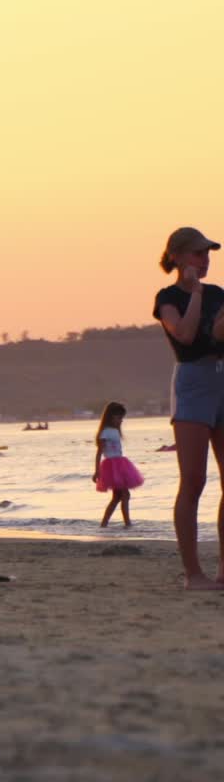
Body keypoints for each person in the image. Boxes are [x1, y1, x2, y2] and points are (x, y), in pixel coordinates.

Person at [154, 226, 224, 589]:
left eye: (208, 254)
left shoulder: (219, 294)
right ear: (178, 256)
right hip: (193, 384)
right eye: (198, 254)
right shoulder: (168, 296)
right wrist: (195, 292)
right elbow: (183, 334)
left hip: (222, 379)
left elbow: (218, 335)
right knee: (194, 480)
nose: (205, 259)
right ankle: (194, 574)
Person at [92, 401, 143, 528]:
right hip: (112, 466)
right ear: (111, 416)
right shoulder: (105, 432)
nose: (121, 420)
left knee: (117, 497)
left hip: (120, 464)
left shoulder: (114, 431)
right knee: (125, 495)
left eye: (122, 418)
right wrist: (97, 471)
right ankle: (127, 523)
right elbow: (99, 453)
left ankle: (104, 523)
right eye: (119, 417)